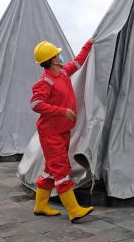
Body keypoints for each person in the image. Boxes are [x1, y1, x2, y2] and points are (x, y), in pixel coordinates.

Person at [30, 39, 94, 222]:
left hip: (62, 131)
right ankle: (74, 210)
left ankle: (41, 205)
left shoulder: (63, 72)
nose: (60, 56)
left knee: (51, 170)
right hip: (50, 134)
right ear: (52, 60)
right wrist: (62, 111)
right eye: (57, 54)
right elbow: (36, 104)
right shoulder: (44, 82)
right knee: (61, 170)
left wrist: (88, 45)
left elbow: (78, 62)